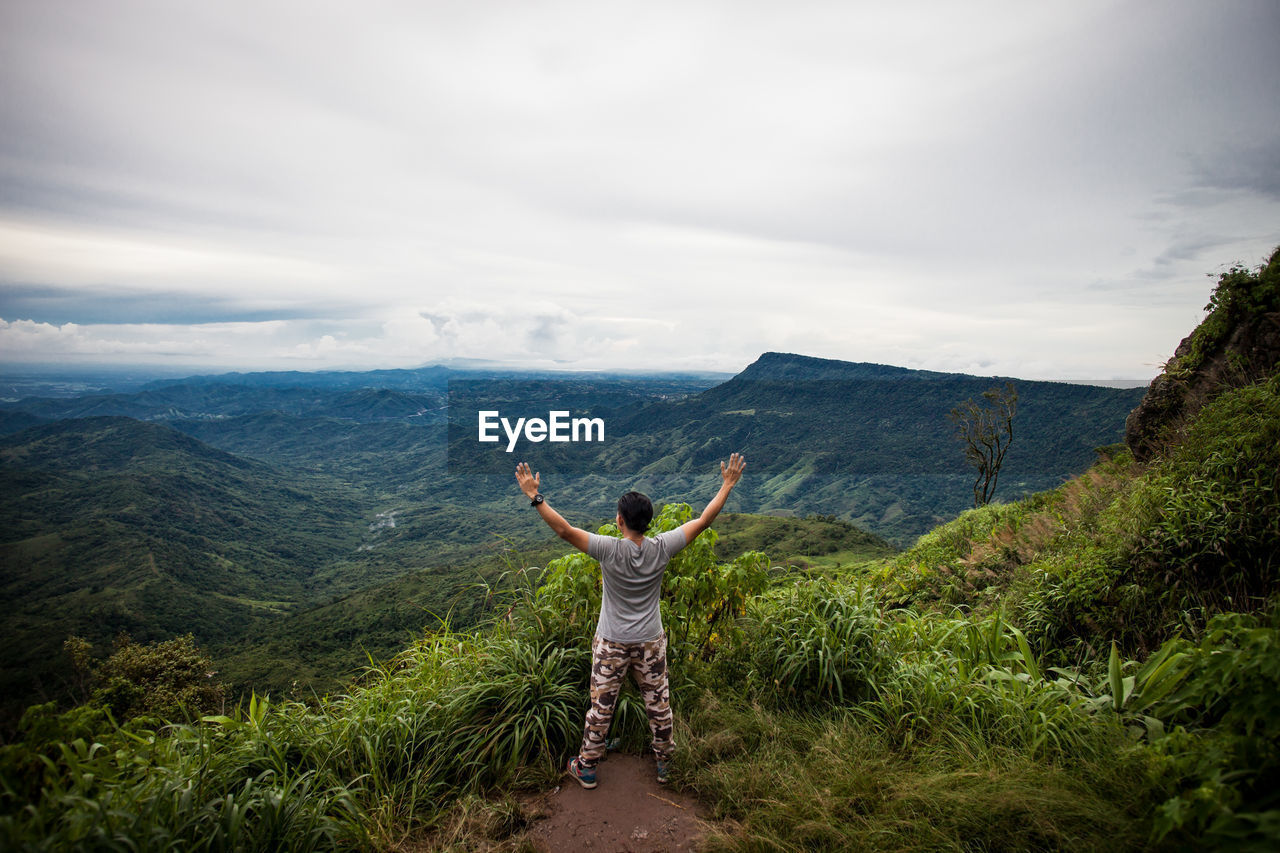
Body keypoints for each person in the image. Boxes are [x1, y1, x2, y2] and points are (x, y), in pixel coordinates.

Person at [514, 452, 746, 788]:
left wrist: (534, 496)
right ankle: (666, 764)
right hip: (650, 640)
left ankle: (588, 767)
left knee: (601, 706)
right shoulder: (662, 547)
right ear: (647, 522)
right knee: (658, 703)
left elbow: (564, 530)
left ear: (620, 521)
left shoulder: (609, 549)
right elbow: (704, 520)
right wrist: (727, 485)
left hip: (612, 641)